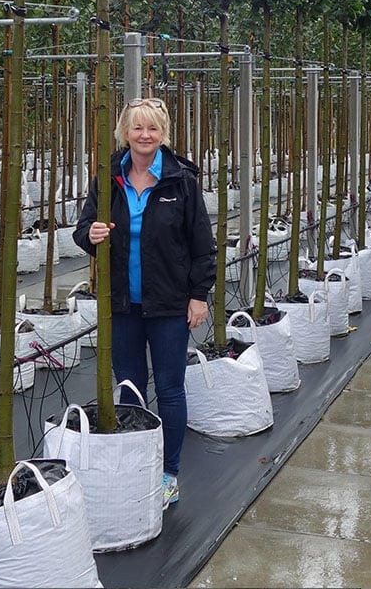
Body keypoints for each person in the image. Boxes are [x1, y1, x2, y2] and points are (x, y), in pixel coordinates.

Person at [73, 96, 217, 511]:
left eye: (153, 128)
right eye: (137, 127)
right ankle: (136, 465)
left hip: (169, 304)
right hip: (122, 305)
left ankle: (168, 473)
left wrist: (198, 296)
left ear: (163, 134)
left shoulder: (180, 181)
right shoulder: (108, 178)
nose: (144, 135)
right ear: (124, 132)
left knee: (170, 389)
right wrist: (91, 235)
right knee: (130, 389)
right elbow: (83, 229)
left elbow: (202, 244)